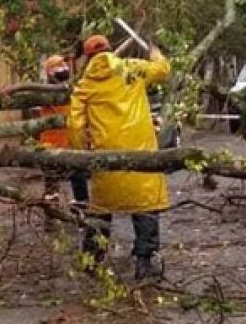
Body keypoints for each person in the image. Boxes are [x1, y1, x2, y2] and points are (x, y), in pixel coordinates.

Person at [68, 33, 171, 280]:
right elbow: (163, 70)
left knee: (101, 209)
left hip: (107, 158)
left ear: (87, 57)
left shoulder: (85, 85)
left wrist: (84, 155)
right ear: (111, 49)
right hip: (141, 155)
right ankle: (144, 263)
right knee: (146, 205)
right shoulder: (132, 69)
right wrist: (154, 50)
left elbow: (75, 126)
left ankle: (92, 259)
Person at [36, 55, 89, 211]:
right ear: (50, 73)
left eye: (64, 64)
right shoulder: (45, 94)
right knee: (52, 186)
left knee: (79, 181)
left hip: (72, 143)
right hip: (51, 145)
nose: (65, 68)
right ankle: (51, 214)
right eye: (59, 65)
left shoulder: (72, 89)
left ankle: (82, 211)